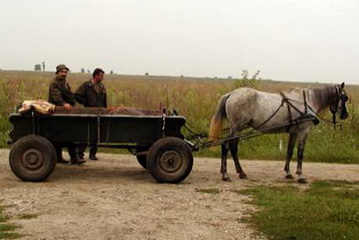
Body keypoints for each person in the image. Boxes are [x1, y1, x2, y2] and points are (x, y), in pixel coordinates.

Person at [48, 64, 86, 165]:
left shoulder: (64, 83)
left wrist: (74, 104)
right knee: (65, 135)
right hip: (57, 111)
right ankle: (71, 157)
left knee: (66, 135)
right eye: (62, 72)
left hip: (64, 111)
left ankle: (66, 157)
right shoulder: (55, 84)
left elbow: (69, 95)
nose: (64, 74)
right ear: (57, 73)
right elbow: (56, 97)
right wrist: (64, 104)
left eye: (65, 72)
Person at [75, 68, 107, 160]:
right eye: (101, 76)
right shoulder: (86, 85)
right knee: (86, 133)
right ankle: (79, 153)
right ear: (96, 75)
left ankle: (93, 154)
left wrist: (105, 110)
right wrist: (86, 103)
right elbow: (77, 95)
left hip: (99, 113)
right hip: (88, 112)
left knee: (96, 134)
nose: (102, 78)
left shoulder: (102, 87)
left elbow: (104, 100)